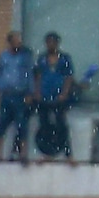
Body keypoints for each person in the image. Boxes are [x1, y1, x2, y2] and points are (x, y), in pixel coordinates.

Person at [0, 30, 34, 163]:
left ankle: (22, 154)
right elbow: (0, 74)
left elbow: (29, 74)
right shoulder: (4, 56)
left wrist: (30, 92)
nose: (19, 42)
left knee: (21, 125)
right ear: (10, 42)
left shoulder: (25, 57)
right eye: (16, 39)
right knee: (2, 124)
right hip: (6, 95)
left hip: (20, 95)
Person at [32, 32, 75, 162]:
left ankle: (68, 155)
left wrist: (64, 93)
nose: (50, 45)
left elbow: (69, 77)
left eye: (53, 42)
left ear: (57, 43)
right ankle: (47, 154)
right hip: (44, 96)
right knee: (44, 125)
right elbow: (38, 76)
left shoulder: (65, 58)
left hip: (59, 97)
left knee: (61, 125)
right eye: (48, 42)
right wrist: (37, 92)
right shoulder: (41, 59)